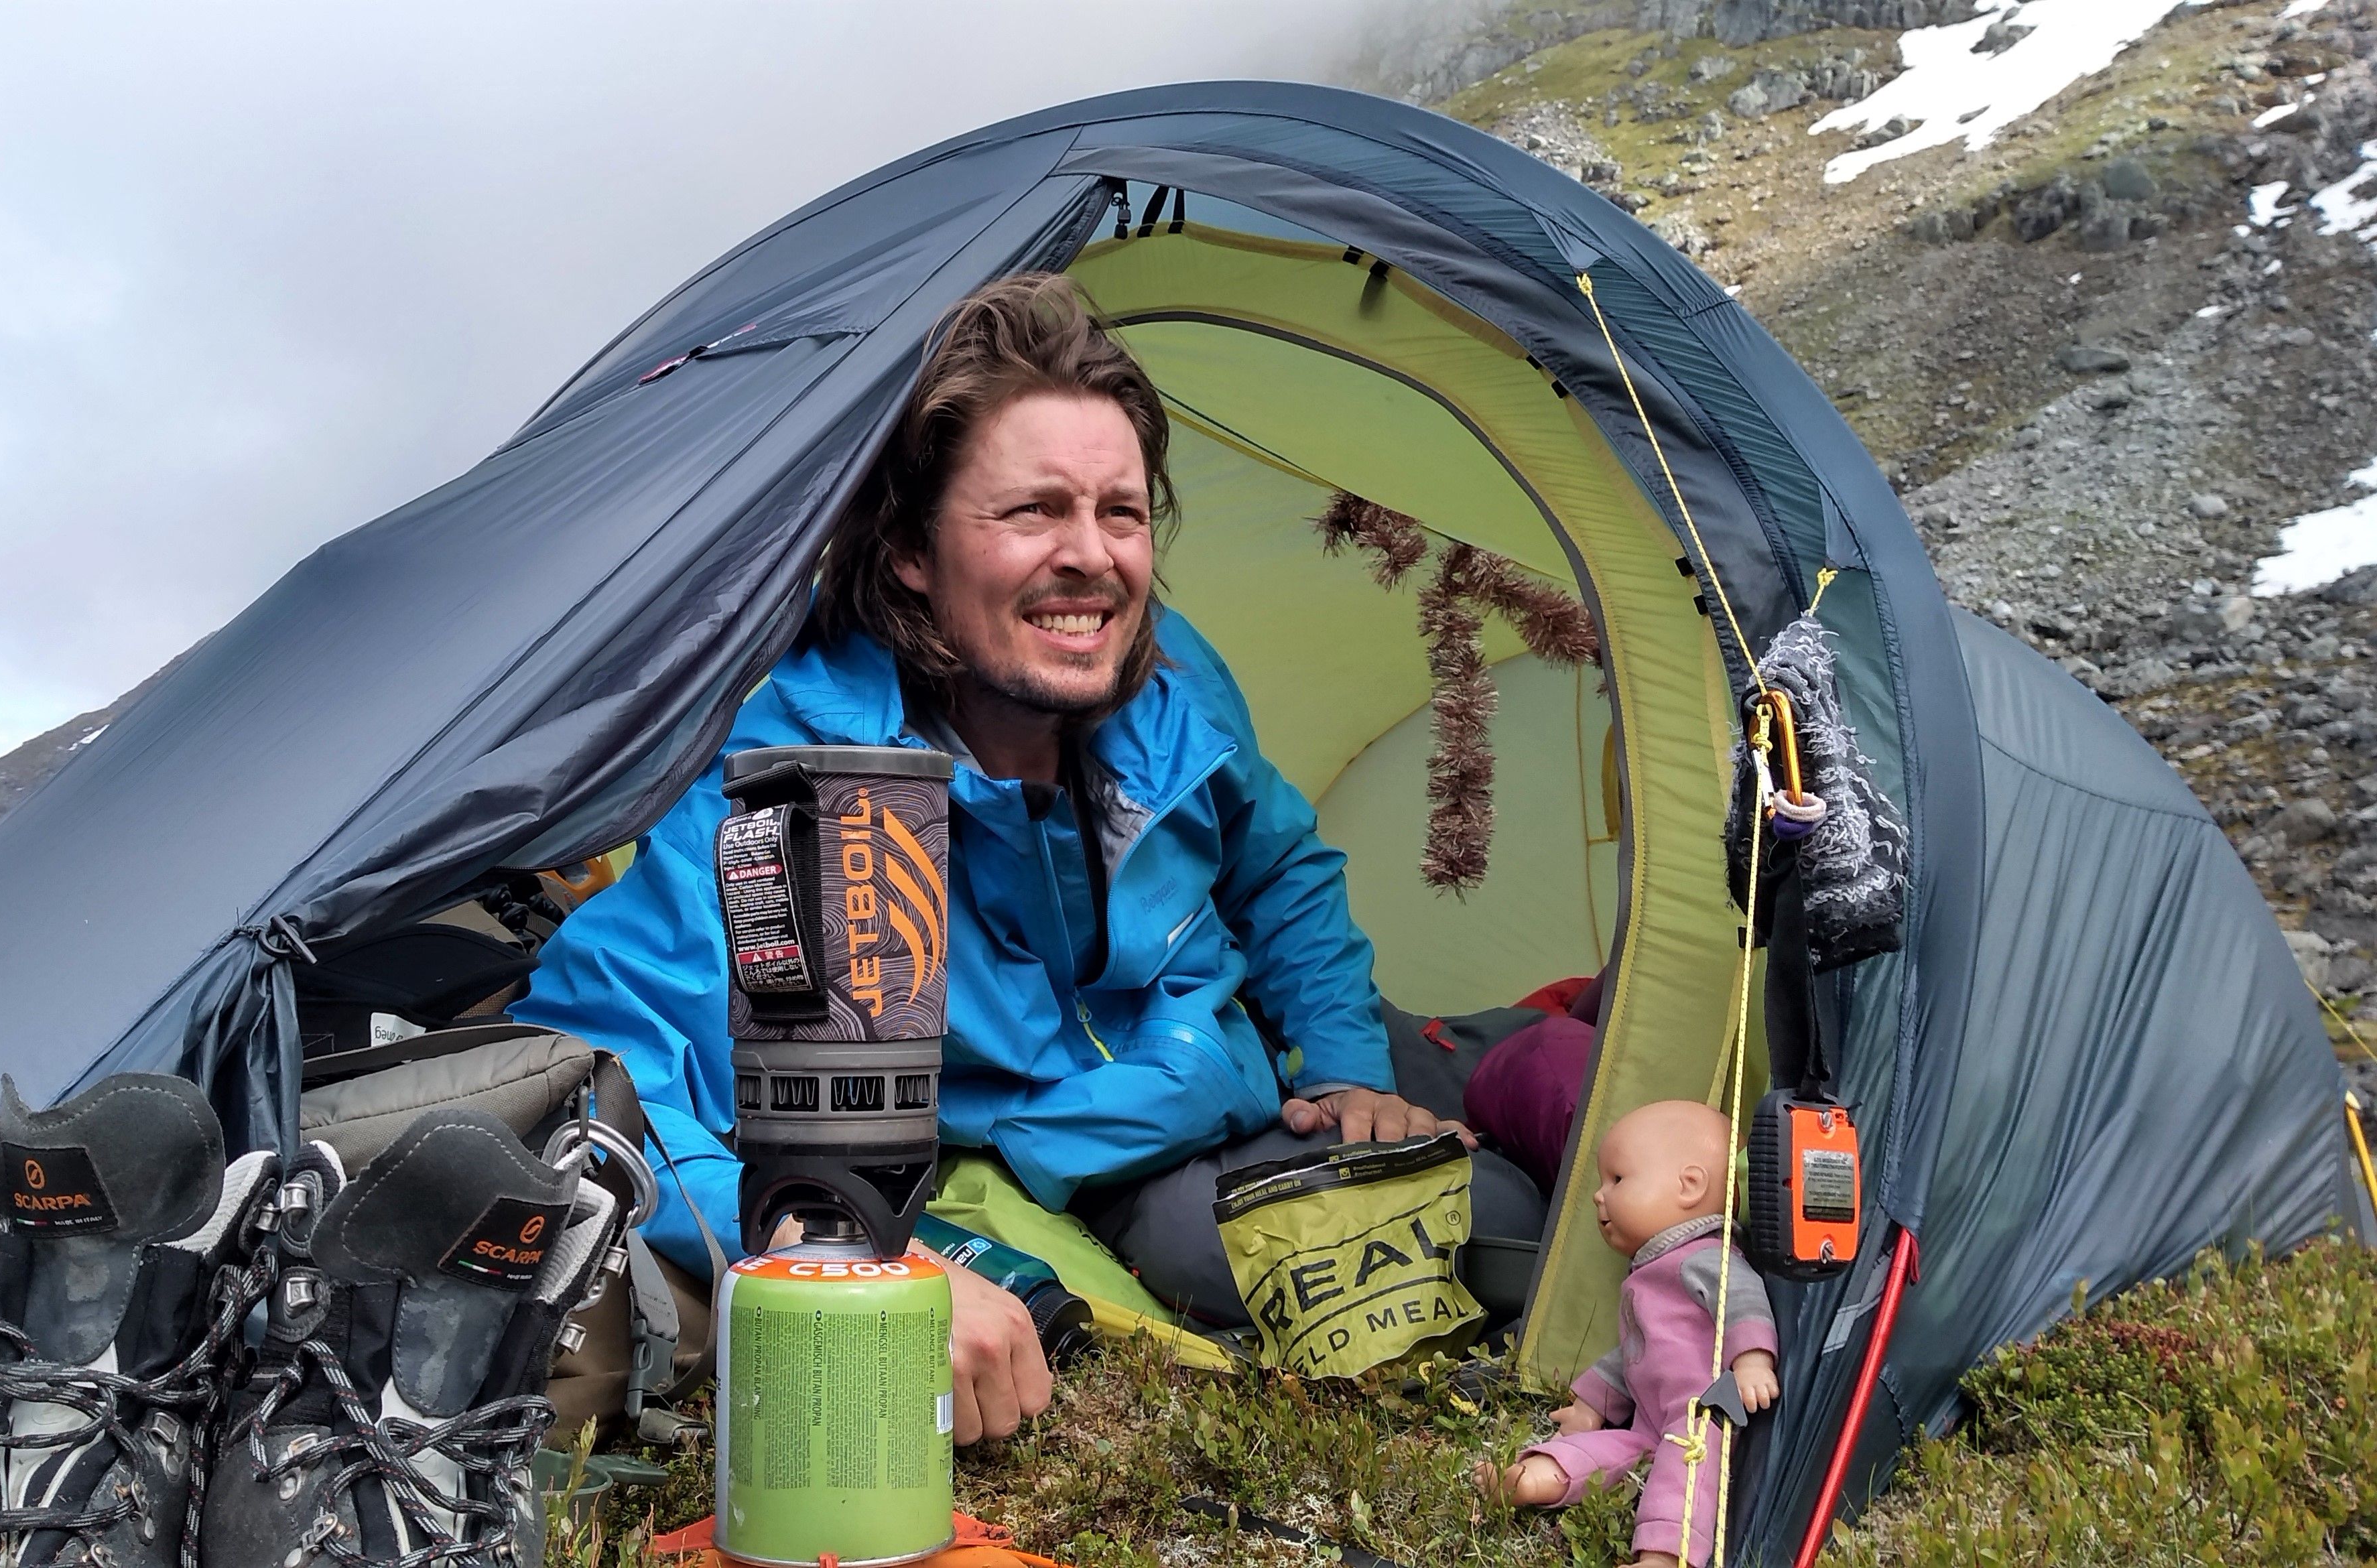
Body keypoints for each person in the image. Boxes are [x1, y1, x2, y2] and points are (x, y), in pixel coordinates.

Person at [516, 272, 1547, 1445]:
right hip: (1110, 1148)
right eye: (1032, 512)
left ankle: (1487, 1058)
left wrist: (1352, 1068)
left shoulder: (1165, 681)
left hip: (1259, 1050)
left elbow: (1280, 874)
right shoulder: (813, 784)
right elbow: (600, 1066)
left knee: (1595, 1094)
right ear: (910, 551)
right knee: (1504, 1219)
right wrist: (829, 1254)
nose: (1092, 559)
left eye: (1121, 512)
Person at [1477, 1100, 1777, 1568]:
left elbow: (1744, 1298)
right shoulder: (1648, 1272)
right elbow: (1635, 1351)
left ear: (1690, 1185)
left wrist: (1753, 1358)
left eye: (1617, 1180)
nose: (1600, 1196)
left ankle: (1665, 1556)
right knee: (1611, 1451)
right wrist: (1591, 1404)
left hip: (1707, 1407)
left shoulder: (1705, 1257)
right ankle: (1539, 1475)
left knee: (1688, 1464)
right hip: (1651, 1421)